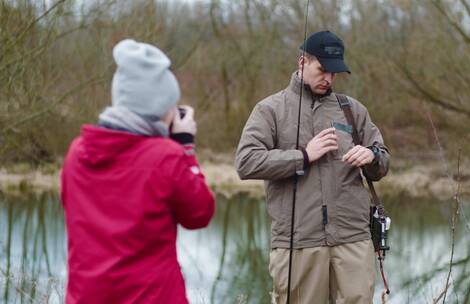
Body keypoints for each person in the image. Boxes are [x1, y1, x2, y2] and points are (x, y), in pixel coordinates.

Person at [235, 31, 390, 303]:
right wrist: (303, 156)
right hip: (298, 241)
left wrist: (372, 156)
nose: (328, 78)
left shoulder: (352, 110)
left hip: (353, 238)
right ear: (302, 62)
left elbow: (383, 159)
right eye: (322, 70)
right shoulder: (270, 109)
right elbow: (246, 162)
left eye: (335, 72)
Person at [60, 39, 215, 303]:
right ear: (159, 107)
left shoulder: (77, 152)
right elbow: (199, 214)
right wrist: (185, 146)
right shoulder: (166, 156)